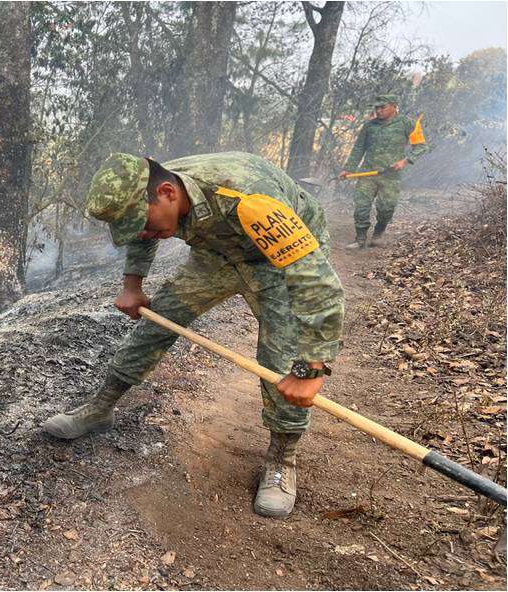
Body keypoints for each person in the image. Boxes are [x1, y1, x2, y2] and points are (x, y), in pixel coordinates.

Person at [42, 152, 345, 518]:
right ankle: (100, 407)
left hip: (278, 262)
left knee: (281, 361)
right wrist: (133, 285)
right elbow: (142, 229)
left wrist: (311, 368)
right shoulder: (154, 192)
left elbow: (316, 283)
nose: (147, 232)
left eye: (147, 222)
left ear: (168, 192)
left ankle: (282, 459)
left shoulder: (250, 199)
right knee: (157, 322)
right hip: (217, 256)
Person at [340, 94, 429, 248]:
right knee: (361, 206)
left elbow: (421, 146)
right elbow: (358, 148)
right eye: (376, 108)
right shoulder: (369, 126)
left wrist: (405, 161)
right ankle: (360, 239)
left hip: (390, 176)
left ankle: (378, 234)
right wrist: (348, 169)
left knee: (386, 209)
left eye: (382, 107)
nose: (378, 111)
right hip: (367, 173)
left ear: (394, 106)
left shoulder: (407, 124)